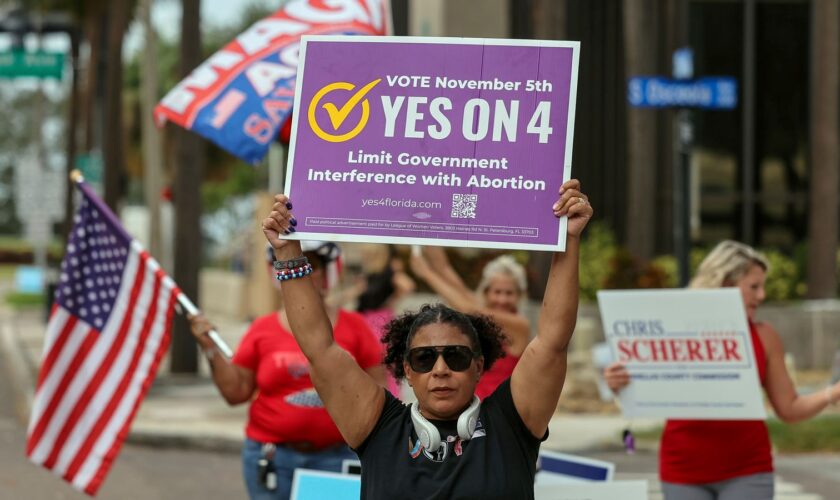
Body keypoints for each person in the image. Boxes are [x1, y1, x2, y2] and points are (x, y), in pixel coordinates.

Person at [261, 179, 592, 499]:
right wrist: (288, 252)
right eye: (424, 358)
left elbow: (552, 341)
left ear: (479, 366)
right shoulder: (377, 425)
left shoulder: (512, 422)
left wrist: (569, 237)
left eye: (456, 356)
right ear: (407, 369)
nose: (441, 369)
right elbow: (319, 348)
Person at [604, 240, 840, 500]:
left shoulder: (765, 336)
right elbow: (646, 386)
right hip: (682, 471)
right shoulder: (674, 327)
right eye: (754, 287)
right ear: (726, 282)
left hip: (748, 471)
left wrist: (833, 393)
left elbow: (789, 408)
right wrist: (620, 382)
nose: (762, 296)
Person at [188, 241, 386, 500]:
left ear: (329, 272)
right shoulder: (261, 329)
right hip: (272, 459)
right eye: (292, 264)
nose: (302, 271)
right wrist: (211, 349)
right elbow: (236, 393)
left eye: (310, 265)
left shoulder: (357, 328)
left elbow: (377, 400)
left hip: (337, 459)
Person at [410, 247, 531, 399]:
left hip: (500, 406)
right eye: (497, 292)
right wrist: (432, 237)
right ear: (486, 293)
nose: (502, 299)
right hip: (473, 402)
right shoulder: (483, 313)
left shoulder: (520, 325)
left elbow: (468, 308)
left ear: (519, 296)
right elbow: (446, 270)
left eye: (509, 293)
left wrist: (426, 273)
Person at [354, 245, 416, 396]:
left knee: (386, 364)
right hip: (364, 320)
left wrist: (392, 299)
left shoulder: (389, 271)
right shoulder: (368, 274)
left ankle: (391, 400)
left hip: (380, 321)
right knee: (367, 363)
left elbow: (408, 285)